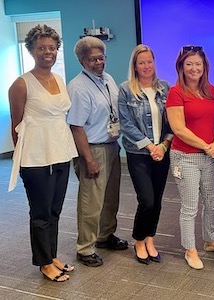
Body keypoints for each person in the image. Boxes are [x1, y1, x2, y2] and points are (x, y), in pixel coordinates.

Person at [8, 24, 78, 282]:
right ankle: (43, 262)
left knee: (55, 210)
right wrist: (27, 156)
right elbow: (16, 128)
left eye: (52, 47)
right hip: (36, 158)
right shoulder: (21, 84)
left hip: (61, 152)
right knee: (40, 212)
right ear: (31, 50)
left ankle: (52, 255)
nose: (47, 52)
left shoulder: (58, 79)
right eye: (41, 48)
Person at [67, 36, 128, 268]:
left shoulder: (108, 79)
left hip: (111, 146)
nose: (98, 62)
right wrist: (89, 159)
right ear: (82, 61)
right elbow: (76, 126)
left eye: (101, 57)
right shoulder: (78, 87)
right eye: (93, 59)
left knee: (111, 199)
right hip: (91, 150)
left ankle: (105, 236)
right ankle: (85, 247)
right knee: (91, 203)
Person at [166, 45, 214, 270]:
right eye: (189, 64)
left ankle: (210, 241)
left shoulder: (211, 90)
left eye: (198, 64)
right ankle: (190, 249)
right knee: (190, 207)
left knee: (212, 202)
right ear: (181, 66)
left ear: (204, 66)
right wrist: (206, 146)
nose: (194, 68)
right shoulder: (176, 92)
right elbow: (178, 129)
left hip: (208, 157)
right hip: (185, 157)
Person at [118, 45, 172, 264]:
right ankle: (139, 239)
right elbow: (126, 124)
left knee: (157, 200)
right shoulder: (126, 89)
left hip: (163, 151)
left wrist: (164, 146)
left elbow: (172, 122)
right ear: (135, 65)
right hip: (139, 153)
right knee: (147, 200)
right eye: (142, 62)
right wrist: (151, 147)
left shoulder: (165, 88)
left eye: (149, 61)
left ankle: (150, 238)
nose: (146, 66)